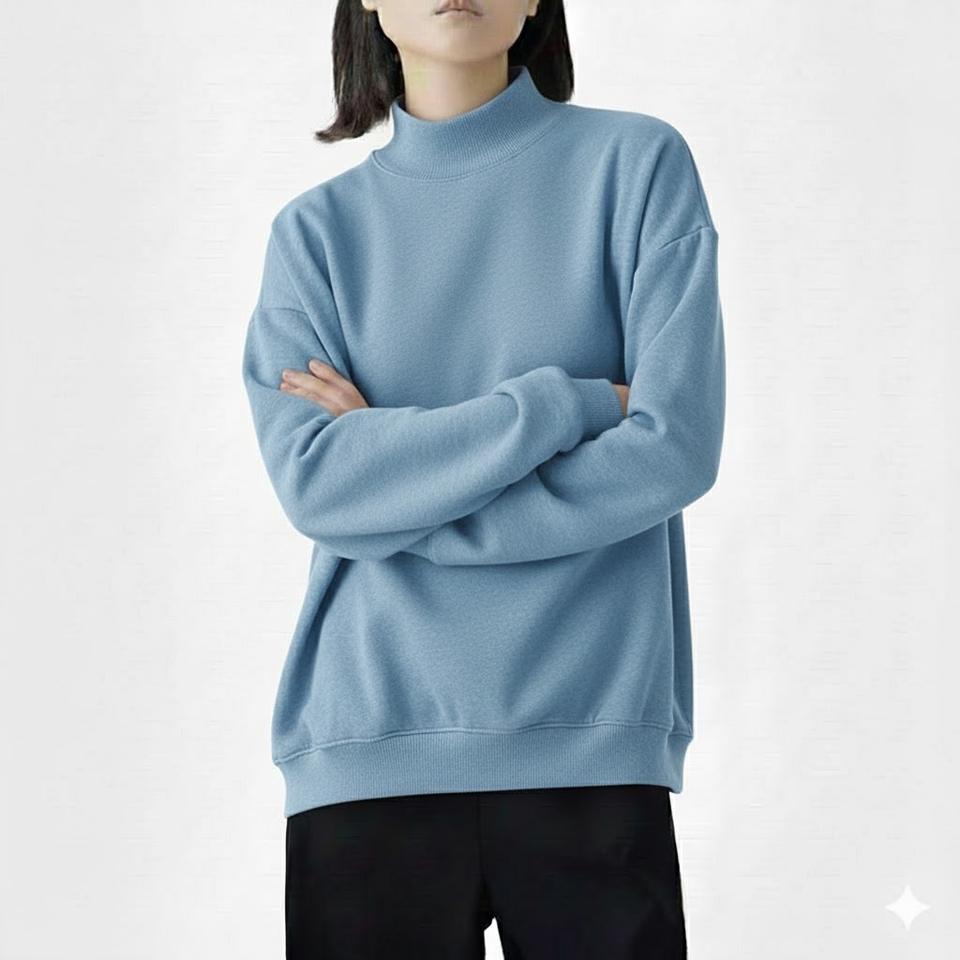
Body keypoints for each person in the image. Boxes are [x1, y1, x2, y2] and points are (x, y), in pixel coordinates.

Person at [241, 1, 725, 956]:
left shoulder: (636, 167)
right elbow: (320, 488)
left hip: (591, 733)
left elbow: (673, 449)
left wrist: (397, 492)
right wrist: (566, 404)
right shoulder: (315, 234)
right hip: (368, 740)